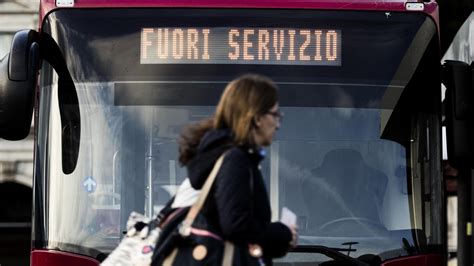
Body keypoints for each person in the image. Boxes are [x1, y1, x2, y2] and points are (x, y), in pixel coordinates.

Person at [178, 74, 297, 265]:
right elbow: (236, 226)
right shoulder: (235, 159)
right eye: (275, 115)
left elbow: (234, 234)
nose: (278, 124)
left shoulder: (227, 156)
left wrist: (280, 242)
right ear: (257, 117)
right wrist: (281, 231)